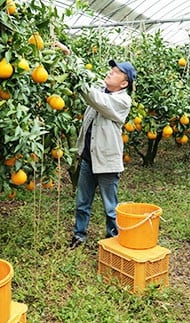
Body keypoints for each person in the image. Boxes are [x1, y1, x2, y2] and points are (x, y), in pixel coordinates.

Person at [54, 42, 137, 249]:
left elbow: (92, 97)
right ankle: (79, 235)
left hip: (107, 162)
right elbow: (87, 79)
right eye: (112, 69)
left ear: (124, 83)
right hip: (88, 158)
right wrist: (69, 55)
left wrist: (73, 63)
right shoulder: (102, 89)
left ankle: (112, 240)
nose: (111, 72)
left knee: (110, 206)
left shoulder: (122, 101)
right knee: (82, 202)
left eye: (117, 72)